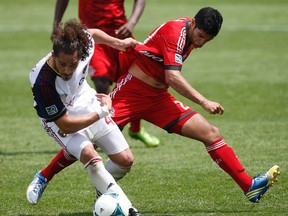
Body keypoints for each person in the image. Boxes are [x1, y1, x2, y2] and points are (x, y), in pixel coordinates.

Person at [27, 7, 280, 206]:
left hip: (159, 99)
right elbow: (172, 76)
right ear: (193, 23)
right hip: (131, 92)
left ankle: (249, 186)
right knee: (89, 140)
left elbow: (164, 78)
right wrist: (204, 101)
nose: (201, 42)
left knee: (210, 133)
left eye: (207, 39)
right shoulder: (175, 32)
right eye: (200, 36)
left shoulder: (191, 36)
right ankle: (44, 176)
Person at [27, 19, 141, 215]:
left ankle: (103, 195)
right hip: (59, 121)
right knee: (89, 154)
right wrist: (103, 112)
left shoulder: (83, 45)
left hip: (86, 101)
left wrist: (120, 44)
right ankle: (127, 208)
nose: (68, 70)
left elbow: (93, 33)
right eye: (62, 64)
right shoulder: (42, 81)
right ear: (53, 55)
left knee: (125, 161)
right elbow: (67, 125)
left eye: (73, 64)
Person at [51, 0, 160, 148]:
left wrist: (132, 22)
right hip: (92, 37)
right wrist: (56, 25)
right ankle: (104, 132)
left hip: (119, 33)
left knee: (138, 80)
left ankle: (135, 129)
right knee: (102, 81)